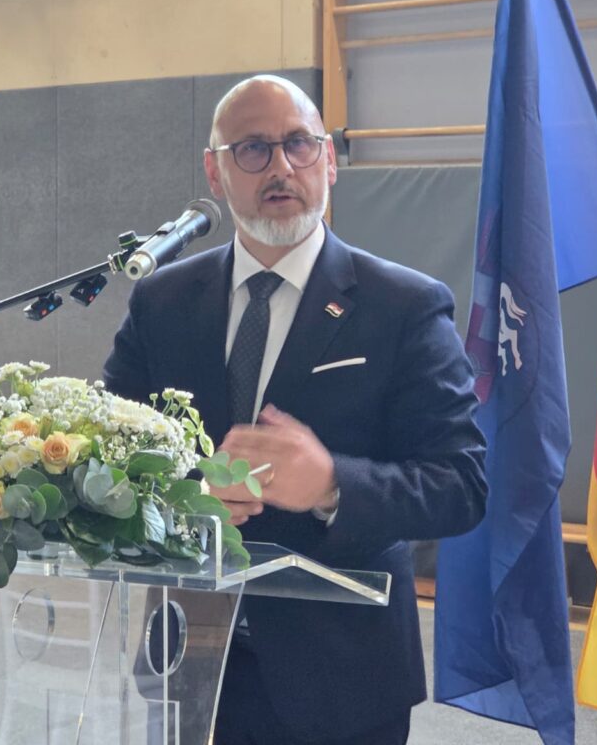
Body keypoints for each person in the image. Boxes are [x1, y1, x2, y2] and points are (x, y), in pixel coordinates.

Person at [103, 74, 487, 745]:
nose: (281, 166)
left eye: (299, 144)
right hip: (191, 662)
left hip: (342, 679)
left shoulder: (403, 306)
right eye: (253, 149)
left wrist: (333, 485)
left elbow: (462, 485)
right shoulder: (162, 301)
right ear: (215, 172)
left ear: (329, 161)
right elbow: (109, 454)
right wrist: (185, 495)